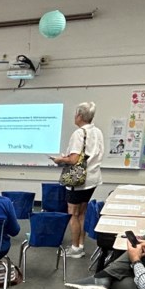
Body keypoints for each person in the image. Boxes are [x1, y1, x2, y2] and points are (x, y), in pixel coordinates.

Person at [49, 102, 104, 259]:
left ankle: (74, 249)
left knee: (73, 213)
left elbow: (73, 159)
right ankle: (80, 244)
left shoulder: (79, 133)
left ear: (80, 116)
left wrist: (60, 159)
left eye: (75, 114)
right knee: (83, 212)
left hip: (78, 180)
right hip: (92, 178)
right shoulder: (98, 132)